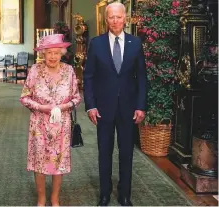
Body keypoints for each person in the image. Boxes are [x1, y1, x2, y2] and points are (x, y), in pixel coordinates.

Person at [83, 2, 147, 206]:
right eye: (111, 17)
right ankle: (104, 193)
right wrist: (90, 105)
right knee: (104, 152)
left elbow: (142, 79)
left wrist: (141, 105)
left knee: (127, 153)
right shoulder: (96, 43)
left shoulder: (135, 43)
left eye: (119, 17)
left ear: (125, 18)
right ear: (106, 19)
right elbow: (89, 77)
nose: (115, 21)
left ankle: (124, 194)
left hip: (129, 109)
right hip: (103, 109)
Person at [20, 34, 81, 206]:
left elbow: (76, 98)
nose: (53, 56)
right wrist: (42, 108)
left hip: (62, 124)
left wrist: (62, 107)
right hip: (39, 123)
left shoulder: (69, 71)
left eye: (56, 52)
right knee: (39, 161)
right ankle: (41, 199)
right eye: (49, 53)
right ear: (43, 54)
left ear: (62, 53)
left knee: (58, 161)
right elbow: (24, 97)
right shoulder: (34, 70)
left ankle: (55, 198)